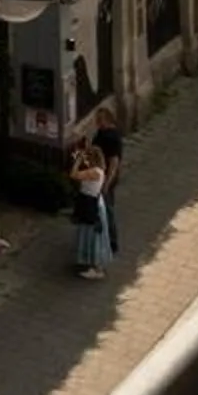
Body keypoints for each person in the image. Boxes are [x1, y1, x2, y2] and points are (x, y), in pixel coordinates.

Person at [91, 105, 126, 264]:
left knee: (107, 209)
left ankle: (111, 242)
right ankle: (103, 238)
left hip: (106, 179)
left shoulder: (112, 138)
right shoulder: (102, 133)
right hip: (99, 176)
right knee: (103, 208)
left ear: (106, 120)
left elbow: (114, 162)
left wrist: (107, 182)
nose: (96, 123)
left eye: (99, 120)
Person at [70, 144, 109, 278]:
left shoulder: (94, 172)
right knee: (89, 233)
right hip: (92, 202)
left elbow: (74, 175)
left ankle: (96, 267)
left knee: (92, 235)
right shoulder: (99, 170)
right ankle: (90, 262)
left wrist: (78, 161)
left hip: (89, 204)